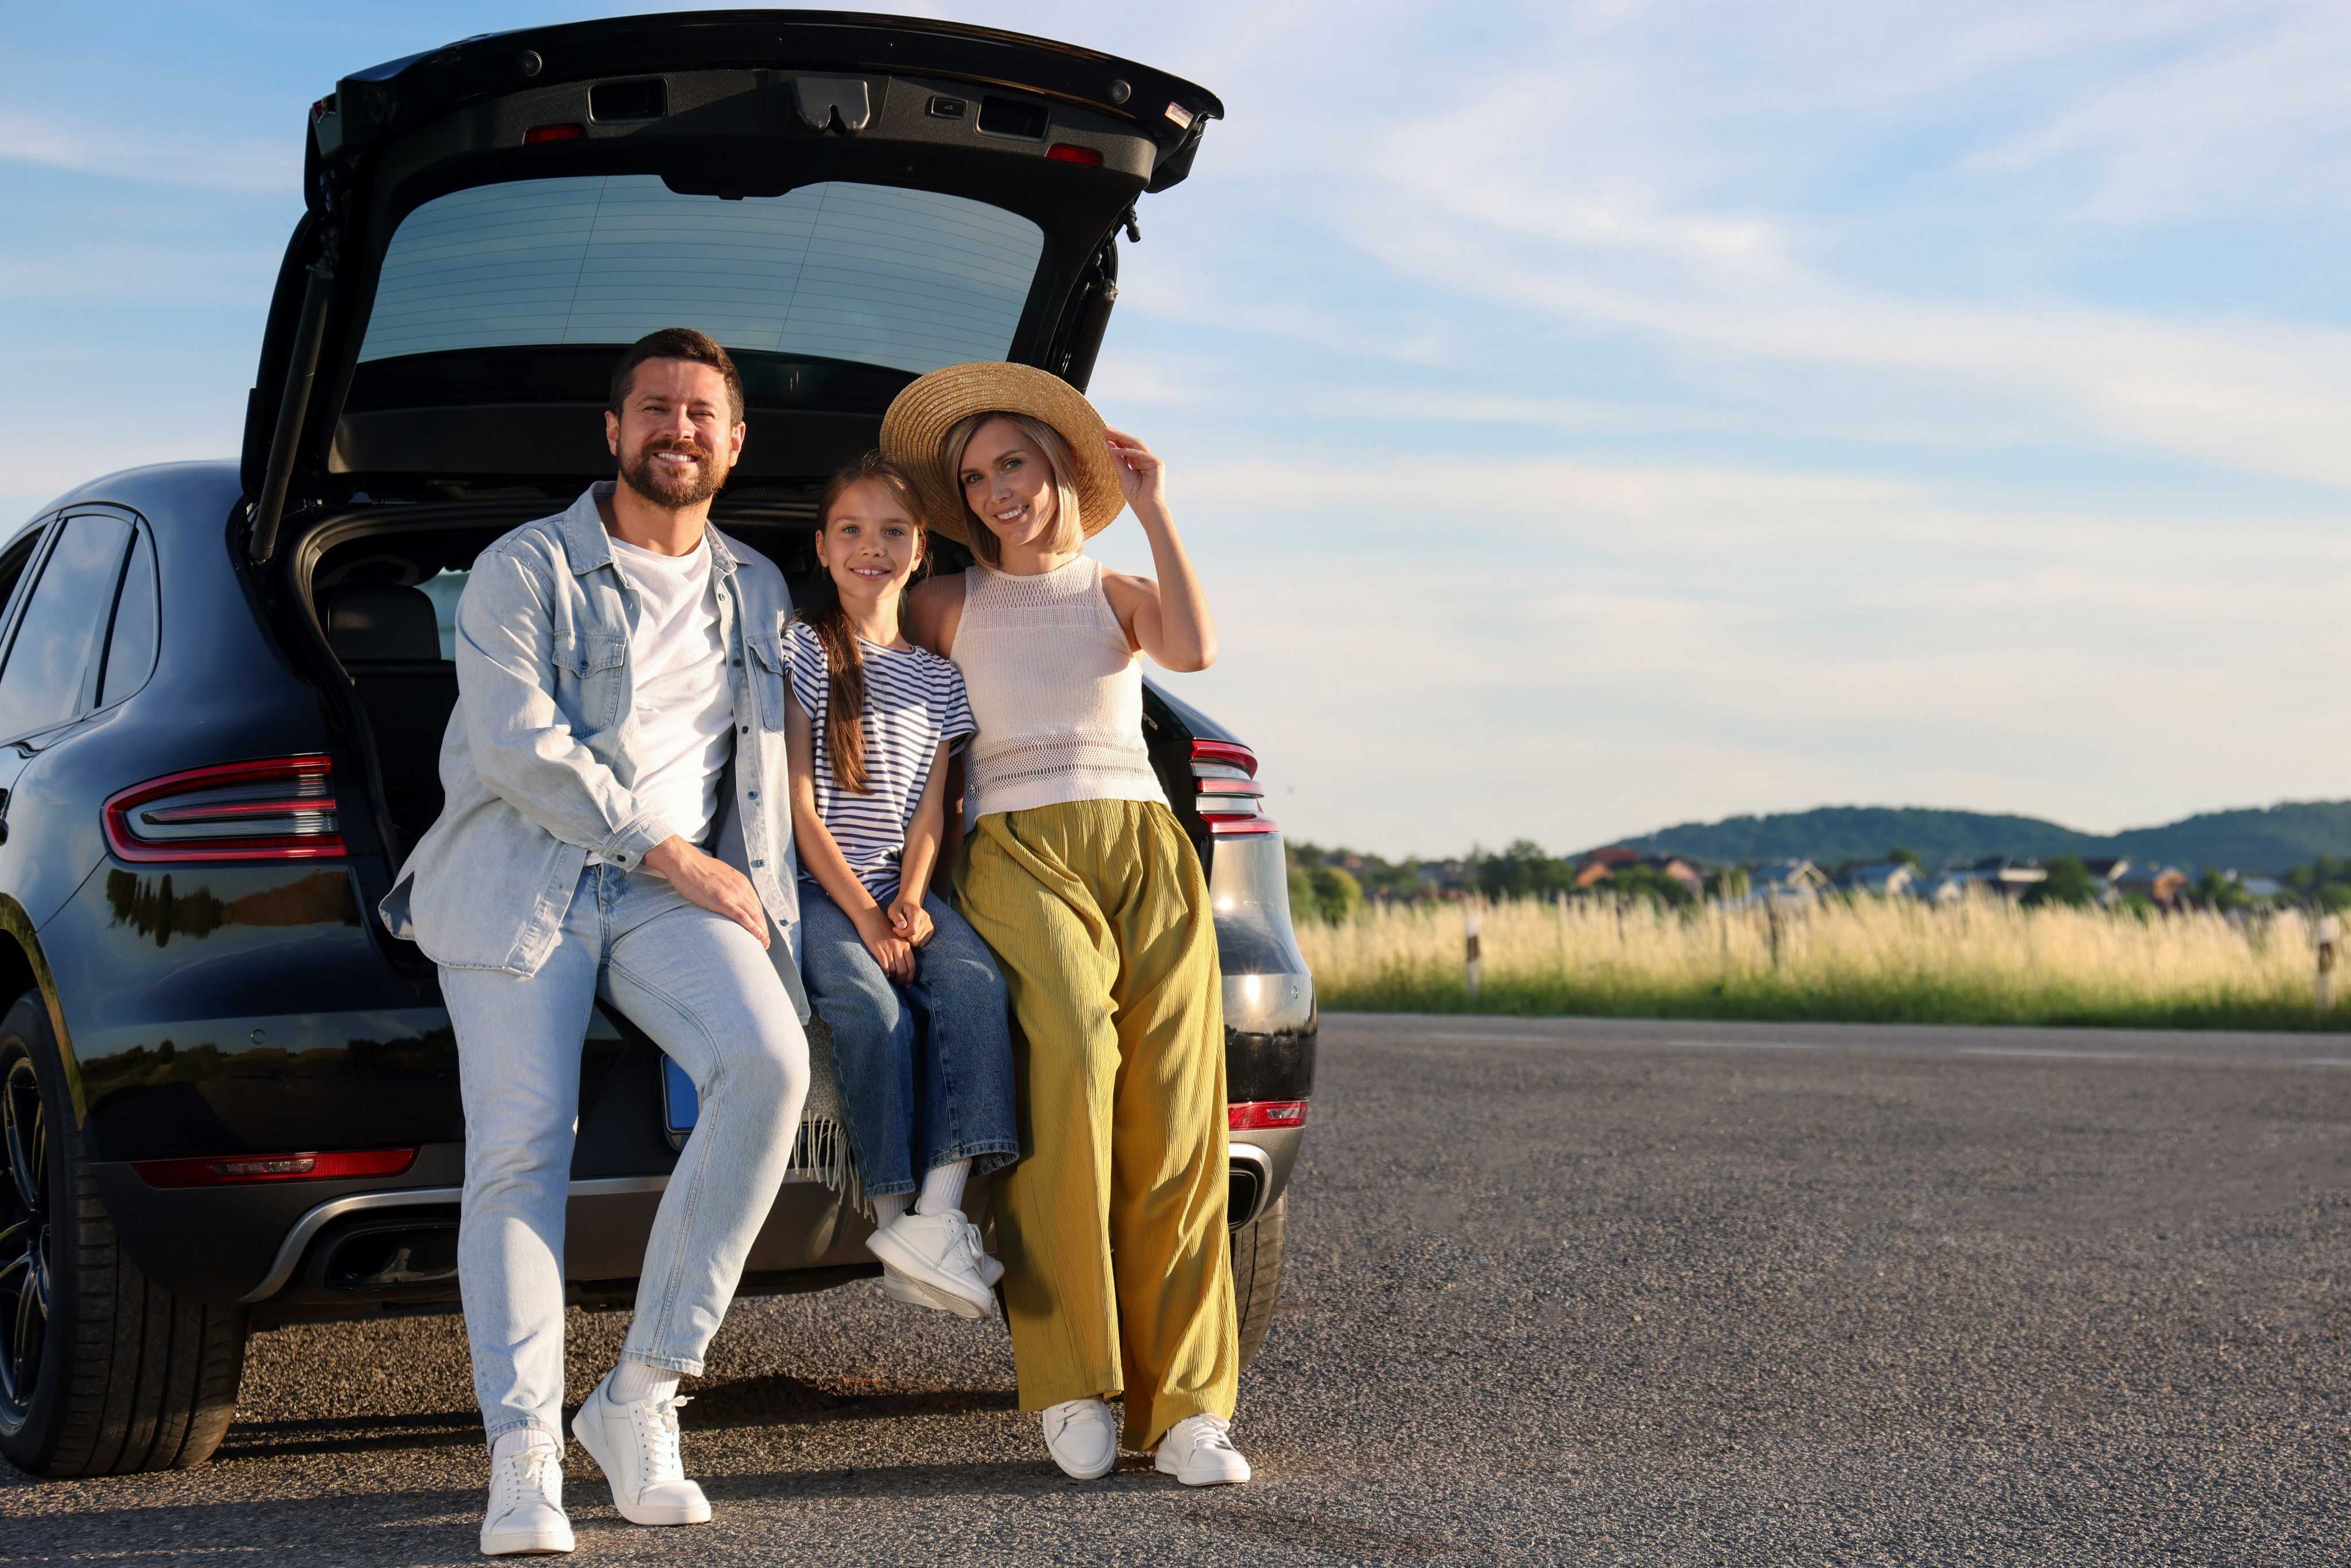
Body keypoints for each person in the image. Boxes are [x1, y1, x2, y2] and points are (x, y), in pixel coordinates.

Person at [379, 328, 812, 1556]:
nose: (677, 431)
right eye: (655, 410)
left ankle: (638, 1394)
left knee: (768, 1067)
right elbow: (518, 743)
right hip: (524, 877)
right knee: (524, 1146)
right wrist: (668, 851)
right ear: (613, 431)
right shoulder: (526, 568)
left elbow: (777, 769)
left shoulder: (758, 588)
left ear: (734, 443)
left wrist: (784, 908)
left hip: (674, 896)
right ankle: (522, 1454)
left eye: (700, 415)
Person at [883, 362, 1250, 1487]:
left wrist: (1153, 505)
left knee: (1178, 1116)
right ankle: (1071, 1381)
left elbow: (1191, 652)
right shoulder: (945, 604)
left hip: (1144, 847)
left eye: (1015, 466)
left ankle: (1188, 1410)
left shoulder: (1113, 587)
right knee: (1073, 1079)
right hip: (1016, 849)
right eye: (976, 475)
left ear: (1058, 475)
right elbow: (879, 712)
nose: (996, 489)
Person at [783, 453, 1019, 1317]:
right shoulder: (804, 651)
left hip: (900, 887)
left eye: (891, 532)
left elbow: (934, 814)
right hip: (823, 888)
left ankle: (940, 1214)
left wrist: (913, 903)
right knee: (870, 1009)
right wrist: (868, 919)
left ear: (920, 551)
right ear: (823, 545)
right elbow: (800, 813)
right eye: (851, 530)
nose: (870, 547)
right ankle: (892, 1216)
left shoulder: (938, 678)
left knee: (973, 987)